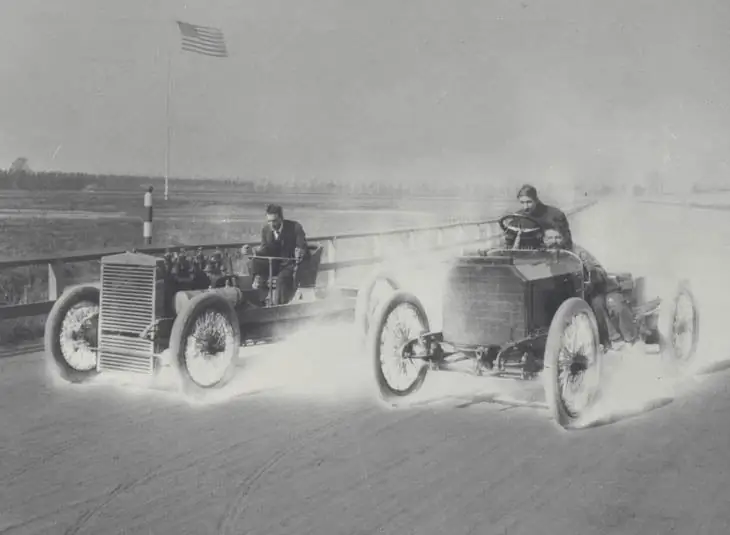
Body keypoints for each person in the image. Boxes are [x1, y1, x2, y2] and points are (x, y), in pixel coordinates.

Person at [543, 227, 638, 349]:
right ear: (544, 240)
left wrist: (590, 272)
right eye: (550, 238)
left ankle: (621, 339)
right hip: (569, 295)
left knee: (601, 303)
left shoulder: (576, 252)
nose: (554, 241)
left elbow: (598, 270)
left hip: (597, 289)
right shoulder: (540, 255)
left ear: (564, 238)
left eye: (557, 237)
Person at [242, 204, 308, 304]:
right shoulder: (266, 230)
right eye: (269, 221)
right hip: (273, 263)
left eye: (274, 221)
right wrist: (253, 252)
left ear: (281, 218)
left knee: (281, 280)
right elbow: (265, 251)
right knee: (253, 263)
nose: (272, 224)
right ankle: (259, 298)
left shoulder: (295, 228)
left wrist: (299, 251)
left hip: (289, 264)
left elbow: (302, 245)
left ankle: (279, 308)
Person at [503, 184, 573, 249]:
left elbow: (566, 242)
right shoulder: (518, 217)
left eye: (529, 202)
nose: (525, 207)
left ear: (536, 200)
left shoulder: (555, 215)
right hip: (524, 256)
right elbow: (509, 242)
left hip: (550, 255)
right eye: (522, 202)